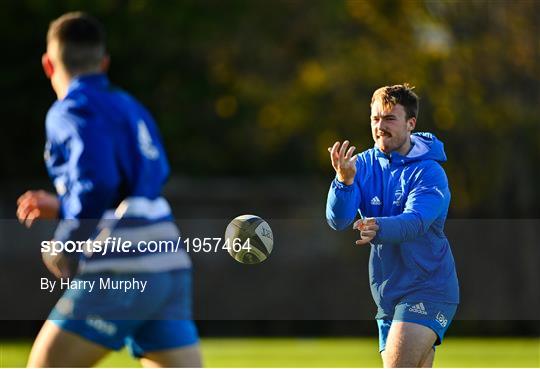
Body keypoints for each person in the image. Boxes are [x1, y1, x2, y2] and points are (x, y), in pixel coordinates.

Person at [16, 12, 202, 367]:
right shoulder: (130, 105)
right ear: (103, 63)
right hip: (169, 262)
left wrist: (68, 238)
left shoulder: (68, 109)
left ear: (48, 66)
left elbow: (99, 181)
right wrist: (65, 205)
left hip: (125, 266)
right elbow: (143, 181)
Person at [326, 84, 459, 367]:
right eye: (375, 118)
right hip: (387, 295)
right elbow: (338, 220)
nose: (380, 126)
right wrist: (344, 182)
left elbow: (416, 222)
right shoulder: (358, 165)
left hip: (428, 287)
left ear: (411, 123)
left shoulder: (429, 171)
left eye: (389, 119)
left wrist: (379, 227)